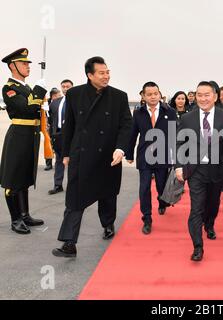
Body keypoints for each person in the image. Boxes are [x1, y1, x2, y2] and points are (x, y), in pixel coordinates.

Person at [52, 56, 133, 257]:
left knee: (107, 194)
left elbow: (126, 126)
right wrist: (65, 153)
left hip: (109, 155)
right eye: (101, 73)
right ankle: (69, 243)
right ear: (90, 75)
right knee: (74, 199)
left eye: (108, 72)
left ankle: (108, 224)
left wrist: (121, 149)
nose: (106, 76)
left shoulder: (119, 97)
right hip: (82, 154)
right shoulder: (75, 94)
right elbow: (69, 126)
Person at [175, 81, 223, 261]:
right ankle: (197, 246)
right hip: (195, 170)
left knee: (213, 204)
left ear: (215, 96)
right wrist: (179, 166)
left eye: (207, 95)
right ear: (195, 97)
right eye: (199, 95)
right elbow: (179, 142)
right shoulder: (187, 118)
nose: (203, 98)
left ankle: (209, 224)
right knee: (196, 207)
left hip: (218, 169)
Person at [0, 48, 47, 234]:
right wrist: (39, 90)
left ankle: (25, 214)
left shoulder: (26, 88)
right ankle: (15, 219)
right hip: (18, 136)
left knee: (25, 176)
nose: (28, 66)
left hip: (31, 135)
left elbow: (34, 109)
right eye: (23, 63)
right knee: (13, 179)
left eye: (28, 63)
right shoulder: (9, 88)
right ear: (12, 66)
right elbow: (25, 108)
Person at [126, 82, 177, 235]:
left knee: (162, 186)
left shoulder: (170, 111)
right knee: (144, 188)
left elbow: (175, 134)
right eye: (149, 94)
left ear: (160, 94)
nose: (153, 96)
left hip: (163, 155)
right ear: (143, 96)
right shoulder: (138, 113)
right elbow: (133, 134)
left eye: (156, 93)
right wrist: (129, 154)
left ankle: (162, 201)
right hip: (144, 156)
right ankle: (147, 218)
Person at [48, 80, 74, 195]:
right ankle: (58, 185)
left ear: (72, 87)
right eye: (63, 86)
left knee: (73, 161)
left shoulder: (77, 102)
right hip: (58, 136)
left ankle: (74, 186)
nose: (65, 88)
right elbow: (51, 120)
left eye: (68, 86)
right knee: (59, 160)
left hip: (72, 136)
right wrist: (51, 135)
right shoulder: (55, 102)